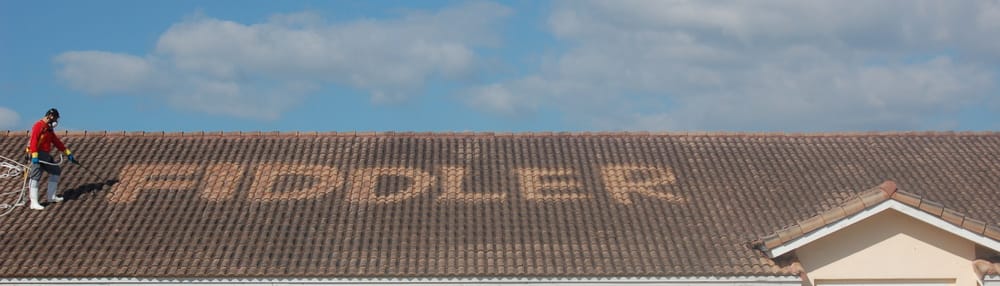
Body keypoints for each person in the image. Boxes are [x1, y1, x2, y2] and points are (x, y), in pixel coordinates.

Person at [26, 108, 76, 210]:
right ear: (50, 116)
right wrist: (34, 156)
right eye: (55, 119)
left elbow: (56, 141)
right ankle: (34, 202)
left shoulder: (48, 129)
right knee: (35, 175)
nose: (56, 122)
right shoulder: (38, 126)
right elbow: (33, 141)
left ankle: (51, 197)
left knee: (56, 171)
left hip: (45, 155)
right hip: (37, 154)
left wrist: (68, 153)